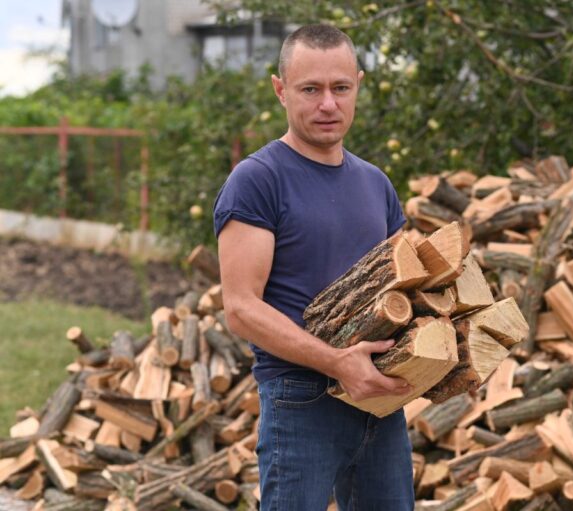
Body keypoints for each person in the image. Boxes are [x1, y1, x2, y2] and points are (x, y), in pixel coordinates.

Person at [213, 24, 415, 511]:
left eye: (340, 88)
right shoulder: (257, 180)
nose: (328, 104)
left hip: (379, 400)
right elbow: (240, 309)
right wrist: (336, 362)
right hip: (300, 398)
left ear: (358, 86)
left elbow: (404, 288)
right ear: (280, 90)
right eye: (311, 89)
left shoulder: (375, 183)